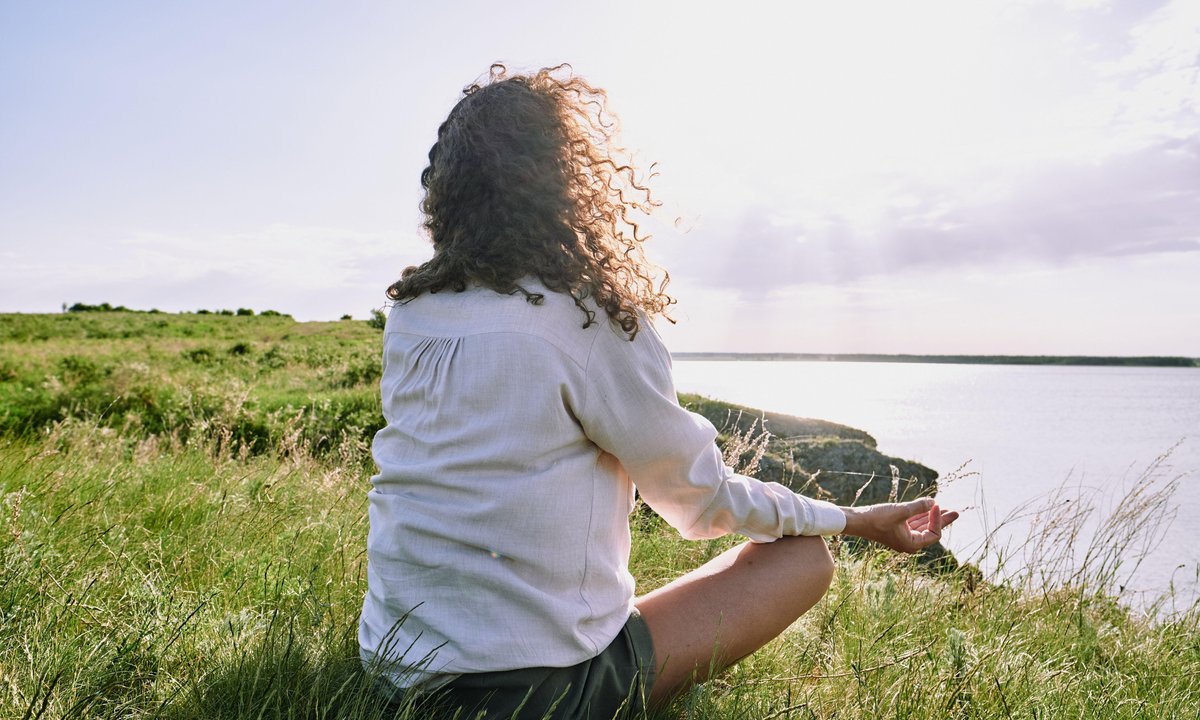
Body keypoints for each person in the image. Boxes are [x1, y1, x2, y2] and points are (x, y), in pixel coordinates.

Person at [359, 64, 959, 720]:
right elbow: (700, 503)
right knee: (804, 560)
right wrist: (855, 521)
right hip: (529, 697)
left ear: (450, 193)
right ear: (568, 182)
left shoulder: (415, 315)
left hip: (394, 672)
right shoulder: (586, 317)